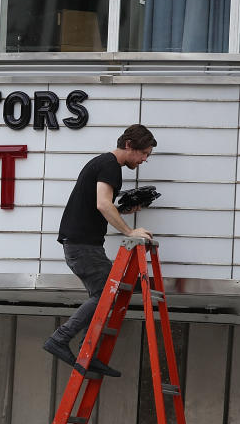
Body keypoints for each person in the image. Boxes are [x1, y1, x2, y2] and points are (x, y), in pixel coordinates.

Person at [43, 124, 156, 377]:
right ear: (129, 145)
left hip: (84, 244)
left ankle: (86, 353)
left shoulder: (104, 164)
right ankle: (61, 339)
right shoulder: (110, 165)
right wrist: (129, 231)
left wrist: (124, 209)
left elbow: (101, 206)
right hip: (82, 246)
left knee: (106, 295)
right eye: (144, 153)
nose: (145, 159)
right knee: (108, 292)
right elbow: (103, 204)